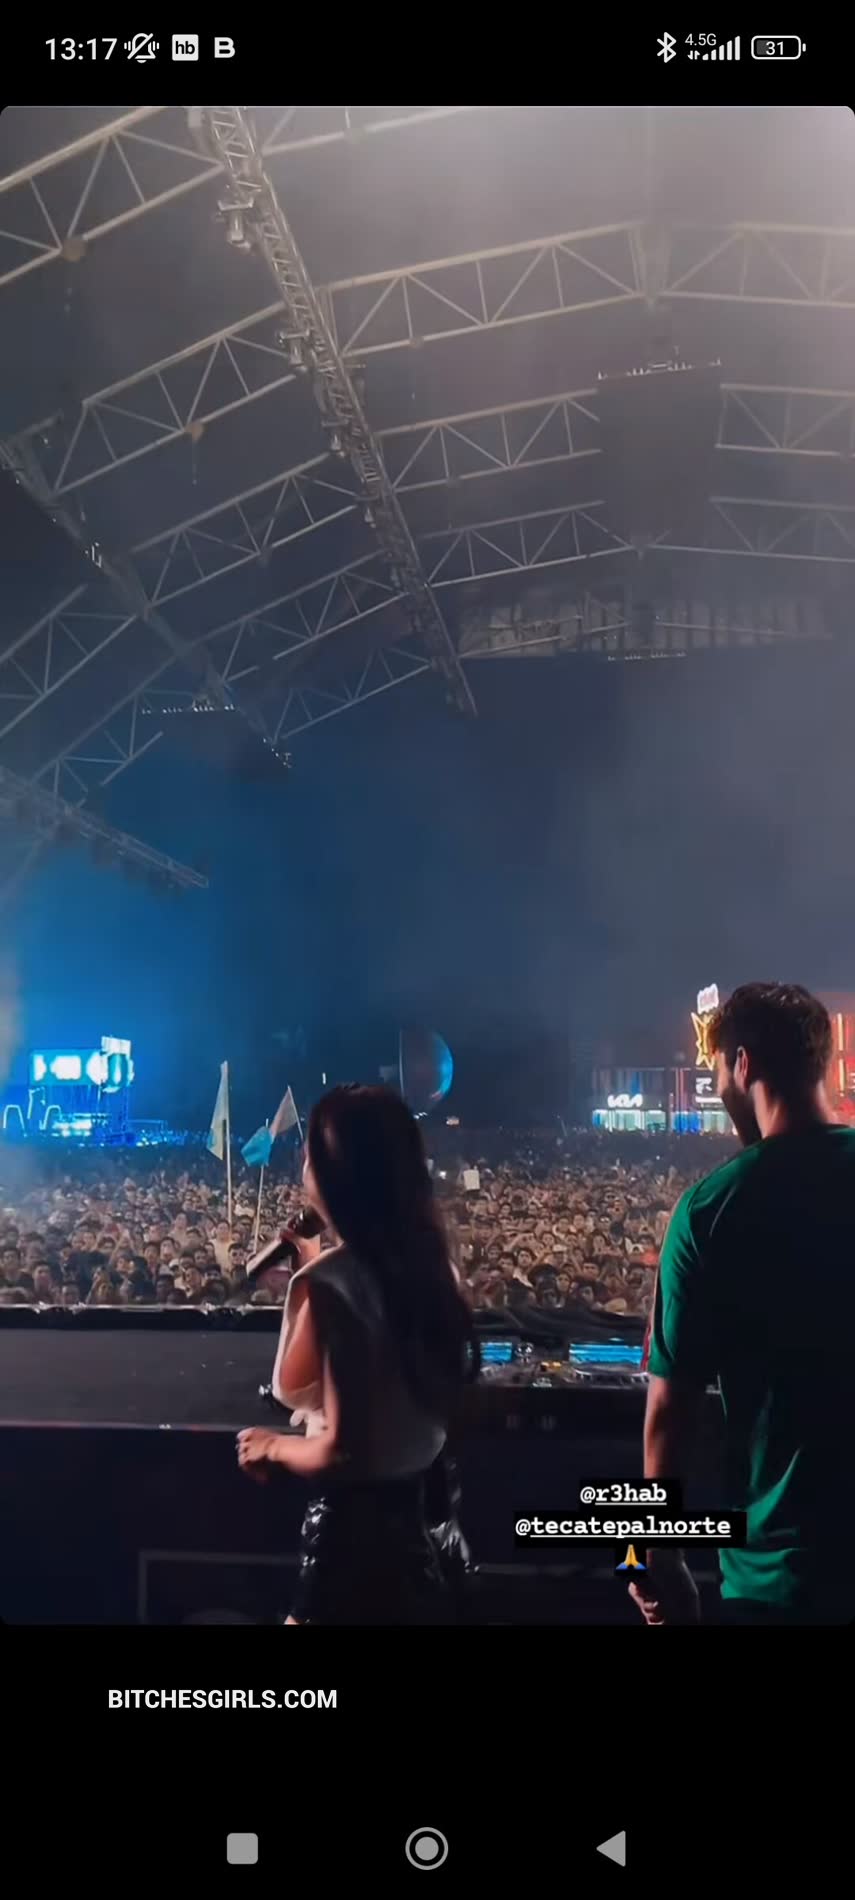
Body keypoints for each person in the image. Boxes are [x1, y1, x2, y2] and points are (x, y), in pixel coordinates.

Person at [631, 982, 855, 1628]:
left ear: (742, 1064)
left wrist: (654, 1554)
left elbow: (668, 1413)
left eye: (716, 1071)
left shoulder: (709, 1211)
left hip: (777, 1580)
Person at [236, 1084, 476, 1625]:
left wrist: (272, 1446)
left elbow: (346, 1452)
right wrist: (315, 1260)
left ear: (334, 1177)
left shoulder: (329, 1286)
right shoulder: (435, 1267)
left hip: (352, 1537)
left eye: (308, 1159)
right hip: (424, 1519)